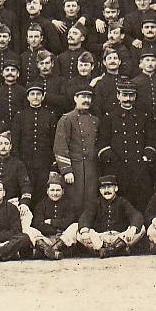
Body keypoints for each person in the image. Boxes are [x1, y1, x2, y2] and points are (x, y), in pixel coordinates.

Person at [97, 79, 156, 213]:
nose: (128, 99)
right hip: (119, 168)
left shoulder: (143, 116)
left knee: (142, 200)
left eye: (131, 95)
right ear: (118, 96)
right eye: (125, 95)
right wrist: (113, 160)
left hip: (139, 167)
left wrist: (147, 156)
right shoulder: (109, 117)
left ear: (135, 96)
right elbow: (102, 143)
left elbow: (151, 140)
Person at [54, 87, 100, 215]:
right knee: (75, 201)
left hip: (91, 169)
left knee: (91, 200)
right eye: (83, 97)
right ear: (75, 98)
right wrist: (66, 170)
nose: (86, 100)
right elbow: (60, 146)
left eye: (89, 97)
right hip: (75, 169)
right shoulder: (66, 119)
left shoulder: (95, 121)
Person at [11, 82, 59, 203]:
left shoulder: (50, 116)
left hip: (44, 163)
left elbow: (54, 141)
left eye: (38, 94)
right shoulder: (20, 116)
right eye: (32, 94)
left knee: (41, 192)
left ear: (43, 97)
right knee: (25, 191)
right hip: (24, 162)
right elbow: (15, 141)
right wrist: (17, 161)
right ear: (28, 97)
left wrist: (52, 162)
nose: (35, 97)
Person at [77, 175, 146, 258]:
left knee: (141, 228)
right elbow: (86, 217)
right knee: (78, 231)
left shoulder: (122, 202)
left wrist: (133, 228)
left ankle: (108, 251)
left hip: (119, 238)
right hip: (100, 239)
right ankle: (114, 250)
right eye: (103, 188)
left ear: (116, 188)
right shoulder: (96, 203)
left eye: (109, 187)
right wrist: (84, 231)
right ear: (100, 190)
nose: (106, 190)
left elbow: (136, 215)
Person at [30, 172, 81, 260]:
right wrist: (56, 229)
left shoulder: (69, 204)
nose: (55, 193)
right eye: (52, 190)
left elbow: (69, 222)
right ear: (47, 191)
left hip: (63, 239)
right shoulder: (41, 205)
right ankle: (50, 250)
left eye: (58, 190)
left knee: (75, 226)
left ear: (63, 191)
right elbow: (38, 224)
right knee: (29, 230)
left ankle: (50, 251)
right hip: (46, 239)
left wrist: (50, 222)